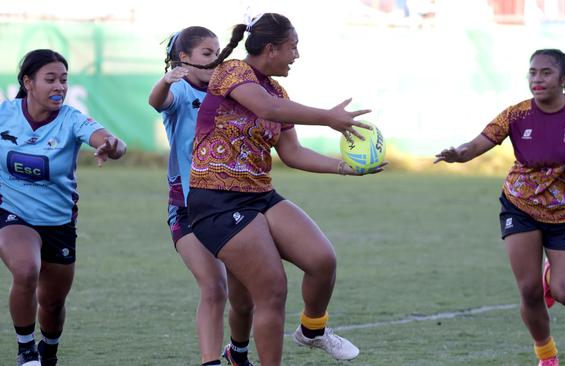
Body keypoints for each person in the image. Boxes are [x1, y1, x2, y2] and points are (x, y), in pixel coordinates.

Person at [182, 13, 384, 366]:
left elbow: (292, 152)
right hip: (215, 199)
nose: (297, 55)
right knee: (271, 289)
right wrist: (328, 117)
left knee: (322, 259)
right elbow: (265, 107)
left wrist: (346, 169)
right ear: (271, 48)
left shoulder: (277, 90)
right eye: (293, 47)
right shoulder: (232, 71)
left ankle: (312, 330)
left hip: (259, 195)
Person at [435, 48, 565, 366]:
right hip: (520, 206)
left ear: (564, 78)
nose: (537, 78)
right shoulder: (516, 114)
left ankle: (552, 277)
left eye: (545, 72)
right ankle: (546, 354)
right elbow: (477, 144)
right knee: (529, 290)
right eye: (532, 72)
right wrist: (458, 153)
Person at [0, 49, 127, 366]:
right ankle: (26, 350)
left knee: (53, 303)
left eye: (64, 80)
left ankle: (48, 352)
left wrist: (109, 145)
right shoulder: (5, 113)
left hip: (58, 223)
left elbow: (112, 141)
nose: (59, 86)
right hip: (11, 213)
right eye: (50, 79)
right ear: (28, 82)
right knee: (26, 270)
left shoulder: (71, 119)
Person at [148, 26, 254, 366]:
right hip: (187, 207)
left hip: (231, 203)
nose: (215, 59)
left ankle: (237, 353)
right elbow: (156, 101)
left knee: (244, 293)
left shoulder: (229, 91)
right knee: (213, 287)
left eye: (217, 52)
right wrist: (166, 80)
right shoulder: (179, 90)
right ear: (184, 59)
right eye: (207, 54)